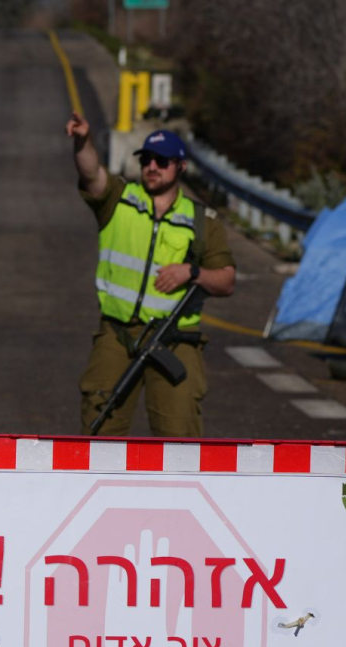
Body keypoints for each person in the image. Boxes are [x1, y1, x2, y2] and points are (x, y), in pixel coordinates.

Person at [67, 113, 236, 437]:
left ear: (181, 167)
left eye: (162, 161)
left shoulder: (202, 222)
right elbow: (91, 174)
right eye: (147, 159)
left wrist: (194, 272)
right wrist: (83, 140)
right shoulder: (119, 200)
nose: (153, 166)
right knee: (100, 431)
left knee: (179, 439)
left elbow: (226, 281)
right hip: (117, 336)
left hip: (175, 340)